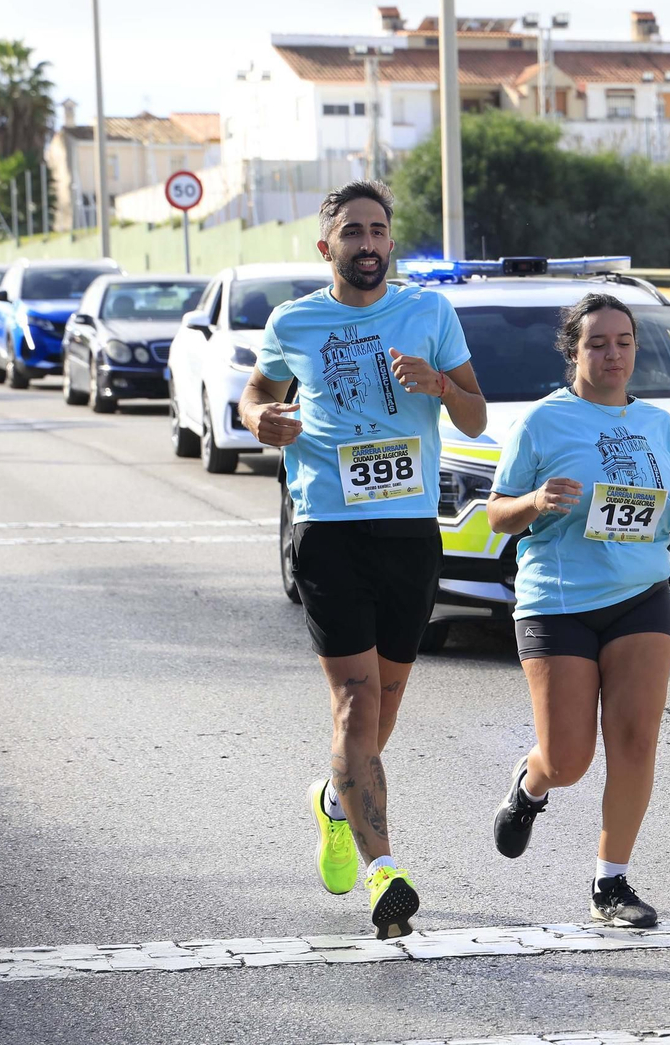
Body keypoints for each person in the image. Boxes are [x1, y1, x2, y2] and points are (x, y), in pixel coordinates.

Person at [238, 180, 487, 940]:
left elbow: (475, 416)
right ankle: (386, 872)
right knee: (354, 700)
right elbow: (255, 394)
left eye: (378, 230)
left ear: (391, 242)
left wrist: (439, 385)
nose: (368, 243)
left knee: (384, 704)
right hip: (329, 527)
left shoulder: (429, 313)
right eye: (353, 231)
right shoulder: (293, 321)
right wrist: (262, 419)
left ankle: (334, 800)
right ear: (328, 247)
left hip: (409, 529)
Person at [486, 292, 670, 928]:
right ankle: (531, 785)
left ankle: (610, 883)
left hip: (642, 596)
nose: (612, 354)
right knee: (569, 758)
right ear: (574, 352)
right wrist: (535, 502)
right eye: (597, 343)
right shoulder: (542, 423)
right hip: (558, 602)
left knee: (636, 740)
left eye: (623, 342)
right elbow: (497, 514)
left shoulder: (660, 427)